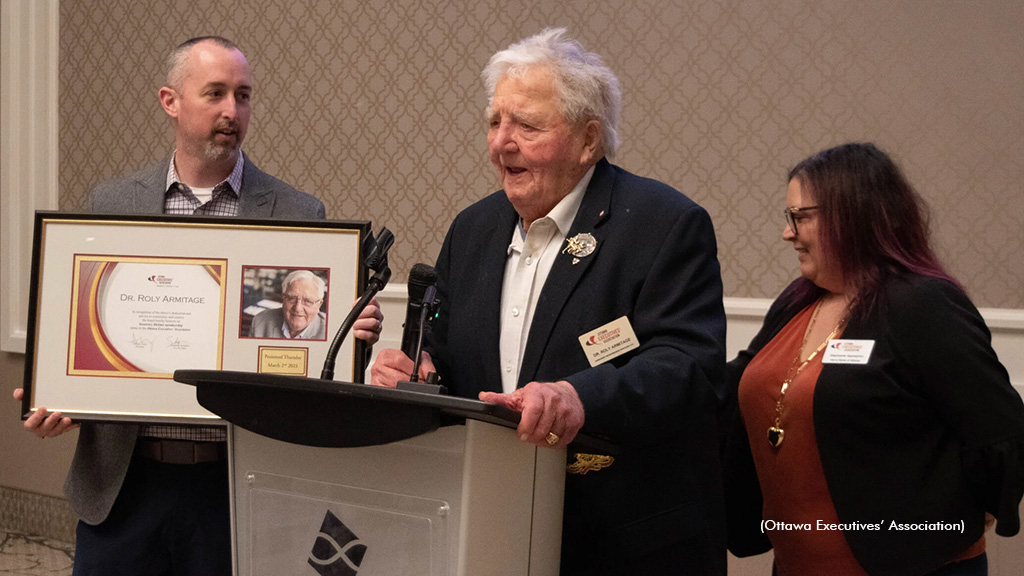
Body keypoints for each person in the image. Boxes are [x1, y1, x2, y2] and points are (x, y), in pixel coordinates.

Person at [13, 36, 383, 575]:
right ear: (171, 101)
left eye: (243, 95)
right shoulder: (111, 204)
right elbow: (87, 336)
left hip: (235, 486)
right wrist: (60, 399)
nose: (232, 111)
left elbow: (305, 362)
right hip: (123, 488)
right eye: (214, 93)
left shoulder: (297, 212)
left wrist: (346, 332)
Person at [371, 28, 727, 575]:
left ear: (588, 141)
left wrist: (576, 396)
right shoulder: (473, 229)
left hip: (623, 541)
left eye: (527, 126)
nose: (501, 143)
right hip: (492, 527)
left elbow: (687, 367)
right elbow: (445, 355)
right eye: (495, 122)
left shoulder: (662, 224)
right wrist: (419, 375)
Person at [724, 142, 1024, 576]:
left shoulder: (922, 304)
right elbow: (735, 382)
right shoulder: (797, 300)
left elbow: (998, 428)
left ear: (851, 216)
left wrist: (964, 517)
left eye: (800, 217)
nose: (787, 233)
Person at [249, 270, 328, 339]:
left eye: (307, 301)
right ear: (283, 299)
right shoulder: (260, 322)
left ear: (319, 305)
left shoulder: (330, 331)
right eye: (291, 298)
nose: (298, 308)